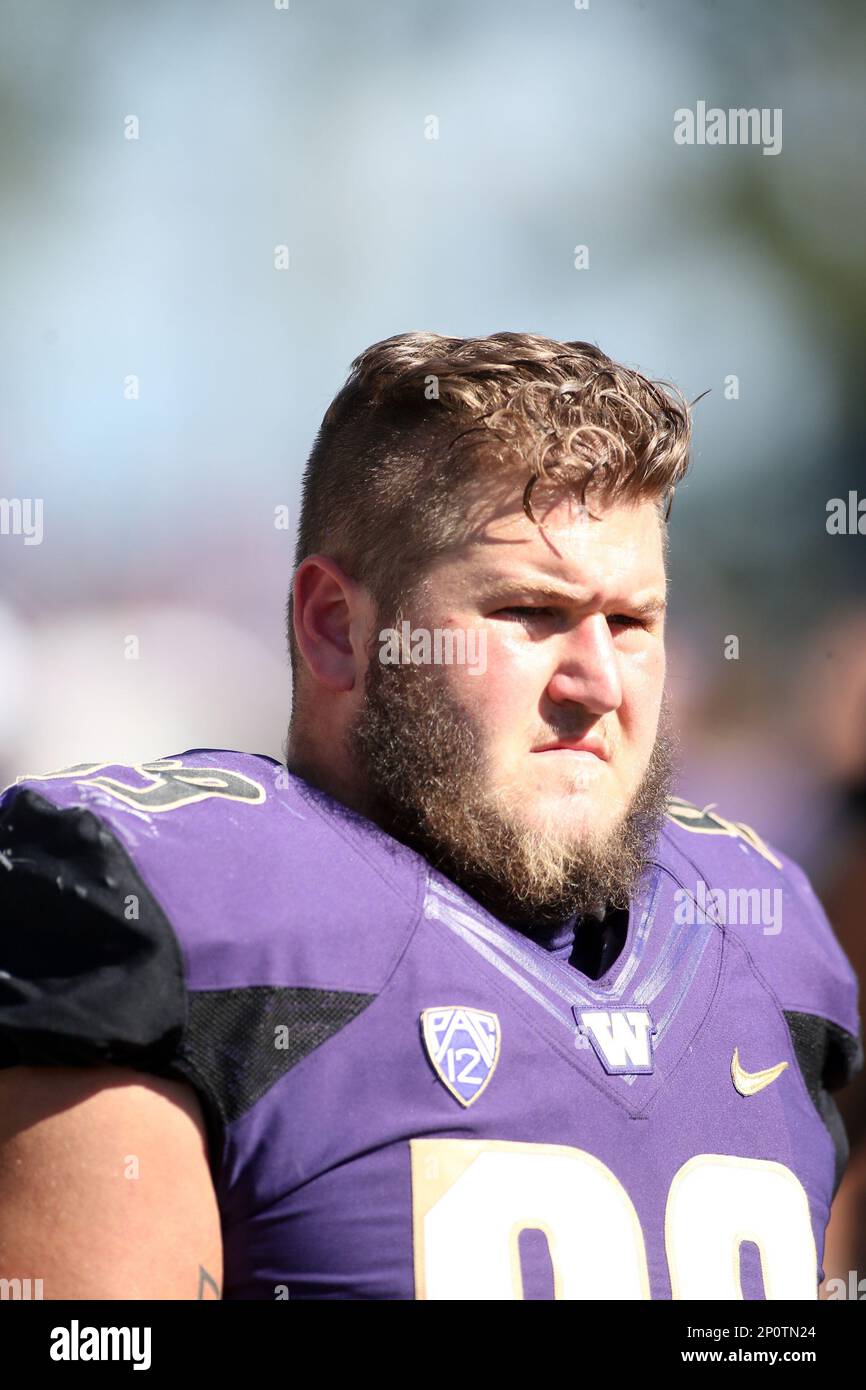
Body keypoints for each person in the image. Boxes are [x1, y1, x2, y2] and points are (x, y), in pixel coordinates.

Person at [0, 332, 860, 1300]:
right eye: (529, 612)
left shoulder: (764, 938)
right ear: (337, 626)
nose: (596, 681)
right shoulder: (177, 911)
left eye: (630, 622)